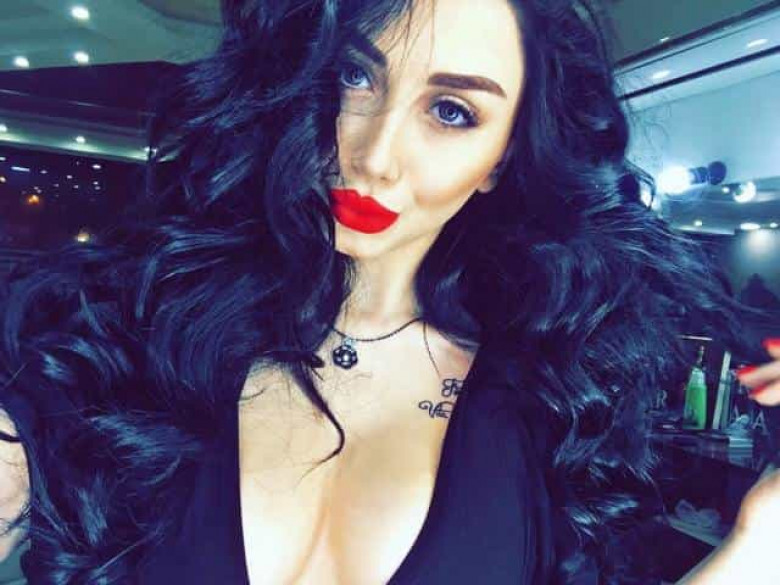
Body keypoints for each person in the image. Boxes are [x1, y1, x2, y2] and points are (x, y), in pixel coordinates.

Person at [1, 0, 780, 583]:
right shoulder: (133, 336)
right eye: (355, 75)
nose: (375, 155)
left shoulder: (550, 401)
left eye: (452, 111)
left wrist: (756, 545)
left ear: (502, 159)